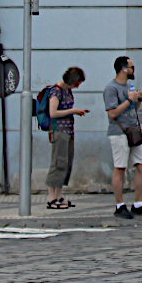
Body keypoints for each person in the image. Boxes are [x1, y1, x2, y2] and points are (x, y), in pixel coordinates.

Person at [104, 57, 142, 219]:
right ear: (124, 69)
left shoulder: (129, 86)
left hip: (133, 130)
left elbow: (133, 108)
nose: (134, 70)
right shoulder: (111, 89)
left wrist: (139, 99)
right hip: (119, 132)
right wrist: (129, 100)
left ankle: (138, 203)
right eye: (131, 67)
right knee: (120, 168)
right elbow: (112, 113)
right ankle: (119, 205)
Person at [43, 67, 89, 210]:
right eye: (77, 83)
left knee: (65, 162)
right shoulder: (56, 91)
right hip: (59, 130)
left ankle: (59, 195)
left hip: (68, 130)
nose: (78, 86)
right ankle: (51, 198)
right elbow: (53, 113)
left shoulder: (67, 91)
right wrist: (73, 111)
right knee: (57, 162)